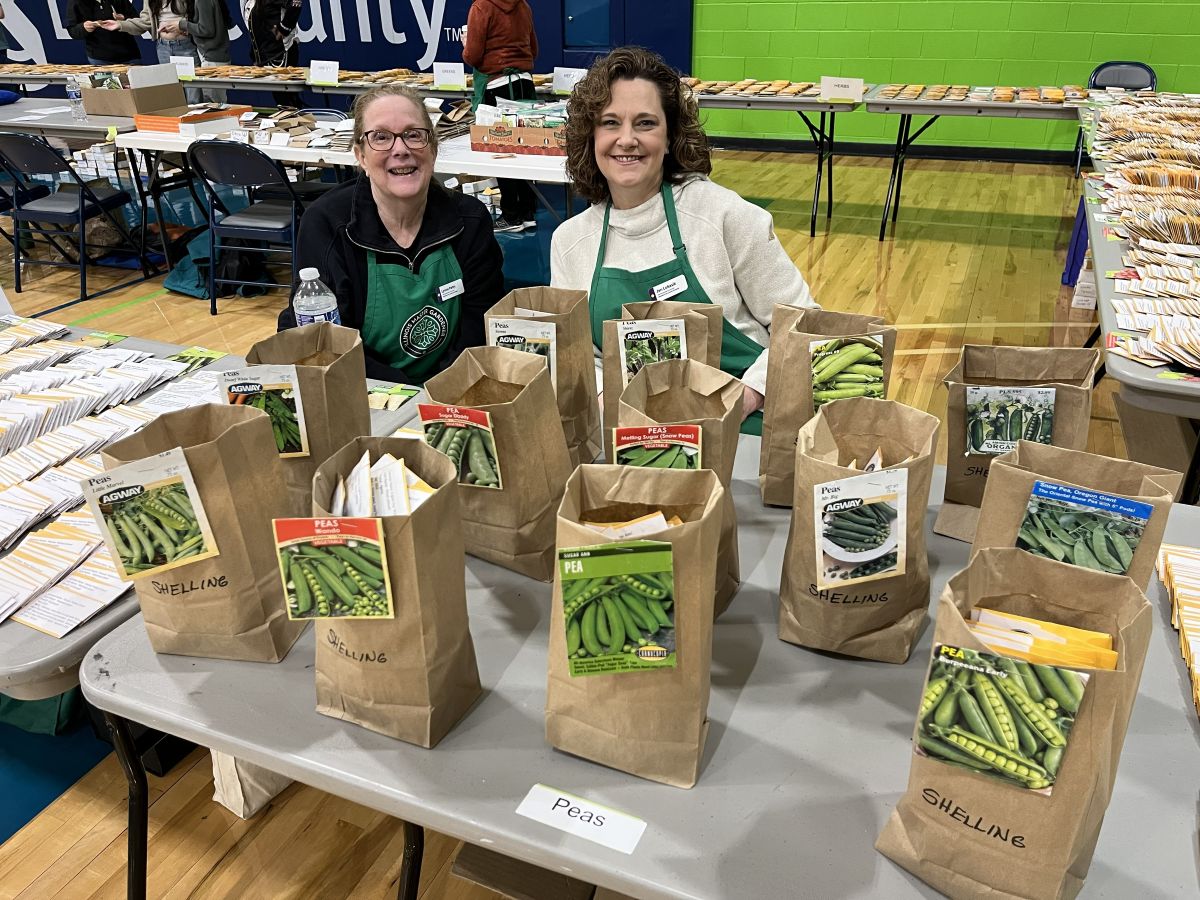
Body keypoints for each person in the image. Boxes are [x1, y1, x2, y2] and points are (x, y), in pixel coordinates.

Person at [549, 46, 818, 431]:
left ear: (671, 134)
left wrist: (745, 396)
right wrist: (606, 400)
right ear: (590, 135)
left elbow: (805, 321)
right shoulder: (571, 242)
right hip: (633, 436)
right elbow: (581, 357)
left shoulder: (721, 216)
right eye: (610, 122)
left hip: (746, 429)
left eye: (645, 123)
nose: (626, 139)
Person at [279, 85, 505, 383]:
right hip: (362, 389)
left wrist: (439, 392)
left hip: (451, 387)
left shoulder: (470, 221)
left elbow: (480, 324)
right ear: (360, 155)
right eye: (381, 137)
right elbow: (332, 345)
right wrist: (404, 395)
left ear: (433, 148)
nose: (400, 150)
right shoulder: (327, 225)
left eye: (413, 135)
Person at [462, 0, 538, 233]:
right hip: (525, 84)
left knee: (500, 150)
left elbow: (473, 56)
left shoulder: (481, 7)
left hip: (496, 86)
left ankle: (511, 215)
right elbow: (534, 50)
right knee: (525, 148)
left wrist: (465, 46)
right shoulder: (523, 5)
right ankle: (527, 212)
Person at [105, 1, 202, 103]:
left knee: (193, 92)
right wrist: (120, 25)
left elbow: (197, 17)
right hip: (163, 47)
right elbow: (145, 21)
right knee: (171, 93)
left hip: (185, 45)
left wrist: (181, 25)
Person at [162, 0, 232, 103]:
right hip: (214, 57)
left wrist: (182, 24)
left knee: (213, 103)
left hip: (212, 59)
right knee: (216, 102)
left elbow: (206, 30)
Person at [241, 0, 303, 108]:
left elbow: (295, 3)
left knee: (286, 100)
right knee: (281, 99)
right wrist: (257, 55)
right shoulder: (248, 2)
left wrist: (284, 28)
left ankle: (295, 123)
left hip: (281, 53)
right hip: (268, 56)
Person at [66, 0, 144, 67]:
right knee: (104, 84)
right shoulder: (76, 2)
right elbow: (72, 30)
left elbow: (138, 21)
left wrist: (123, 18)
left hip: (129, 55)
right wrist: (83, 28)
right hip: (99, 58)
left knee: (136, 83)